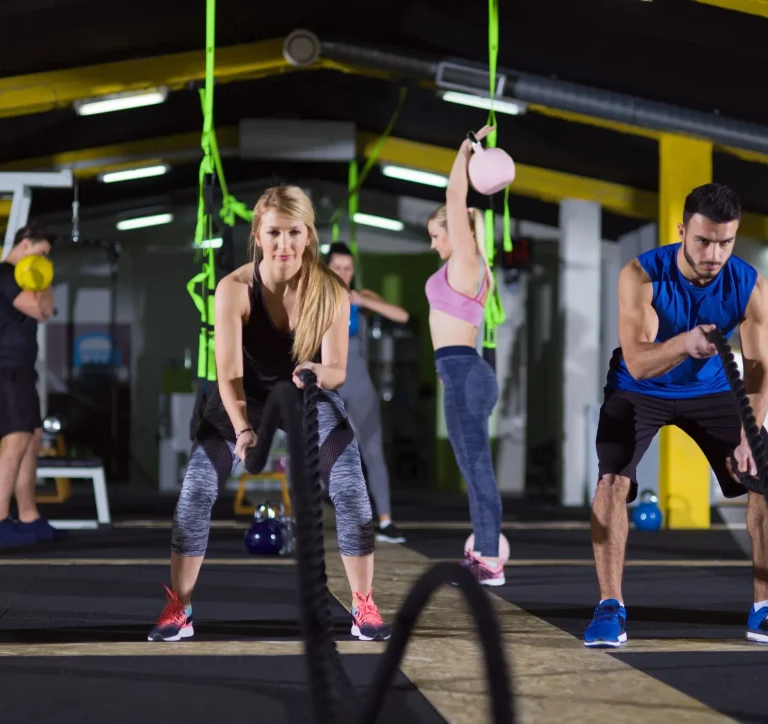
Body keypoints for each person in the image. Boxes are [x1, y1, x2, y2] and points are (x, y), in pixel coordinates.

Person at [148, 185, 391, 643]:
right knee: (196, 490)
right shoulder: (234, 290)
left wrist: (317, 370)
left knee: (352, 493)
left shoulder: (331, 290)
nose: (285, 245)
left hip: (309, 391)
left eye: (294, 233)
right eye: (274, 233)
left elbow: (338, 369)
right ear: (257, 235)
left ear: (308, 234)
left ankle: (364, 606)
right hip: (246, 395)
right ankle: (179, 607)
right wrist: (242, 429)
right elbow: (230, 375)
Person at [584, 183, 768, 648]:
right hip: (639, 386)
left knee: (765, 476)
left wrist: (753, 429)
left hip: (711, 390)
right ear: (682, 230)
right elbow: (637, 361)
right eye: (703, 241)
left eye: (725, 242)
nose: (714, 253)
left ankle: (765, 609)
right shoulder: (642, 276)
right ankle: (610, 605)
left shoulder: (751, 285)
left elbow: (760, 367)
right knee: (612, 479)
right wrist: (684, 343)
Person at [425, 125, 505, 587]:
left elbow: (456, 198)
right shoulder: (469, 265)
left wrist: (463, 150)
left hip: (463, 371)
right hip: (458, 370)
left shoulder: (467, 260)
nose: (435, 243)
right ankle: (485, 551)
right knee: (472, 469)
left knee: (476, 467)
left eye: (438, 235)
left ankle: (490, 558)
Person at [0, 223, 66, 547]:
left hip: (22, 367)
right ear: (26, 244)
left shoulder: (26, 278)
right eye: (42, 254)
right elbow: (38, 308)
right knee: (14, 441)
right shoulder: (5, 274)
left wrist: (40, 277)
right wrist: (42, 277)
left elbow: (43, 310)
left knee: (31, 441)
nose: (44, 261)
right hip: (7, 368)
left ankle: (28, 515)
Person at [325, 242, 409, 544]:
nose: (344, 273)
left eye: (348, 268)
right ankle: (299, 520)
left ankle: (386, 521)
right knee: (313, 453)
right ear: (327, 268)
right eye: (337, 267)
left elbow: (402, 316)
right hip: (326, 386)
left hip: (359, 384)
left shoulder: (360, 297)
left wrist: (360, 299)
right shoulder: (315, 297)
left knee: (373, 451)